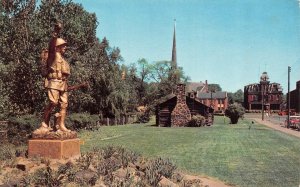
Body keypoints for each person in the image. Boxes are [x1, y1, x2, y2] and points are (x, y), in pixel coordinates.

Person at [37, 37, 71, 133]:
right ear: (57, 47)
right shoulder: (53, 57)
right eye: (63, 46)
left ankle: (61, 125)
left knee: (64, 104)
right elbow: (52, 45)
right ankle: (44, 123)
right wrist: (56, 33)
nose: (65, 48)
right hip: (54, 82)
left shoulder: (63, 60)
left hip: (63, 83)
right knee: (53, 102)